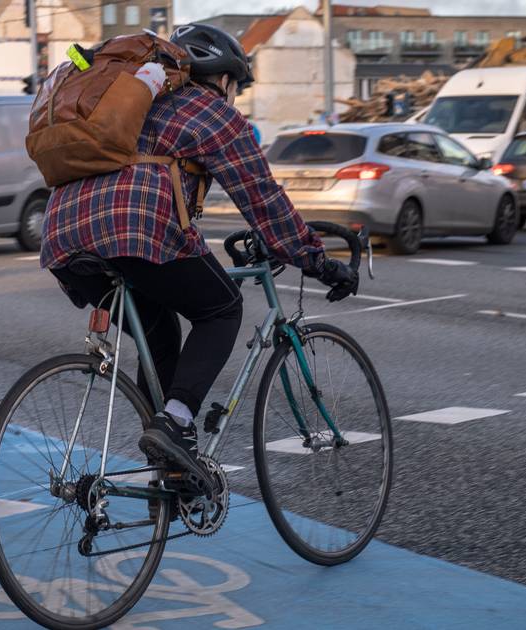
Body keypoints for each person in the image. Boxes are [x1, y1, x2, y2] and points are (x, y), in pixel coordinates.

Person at [40, 23, 357, 492]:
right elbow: (261, 197)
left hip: (63, 238)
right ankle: (176, 425)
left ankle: (168, 473)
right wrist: (317, 259)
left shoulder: (124, 100)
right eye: (235, 86)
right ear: (223, 78)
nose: (234, 95)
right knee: (222, 307)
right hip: (132, 230)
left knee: (161, 335)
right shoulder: (208, 111)